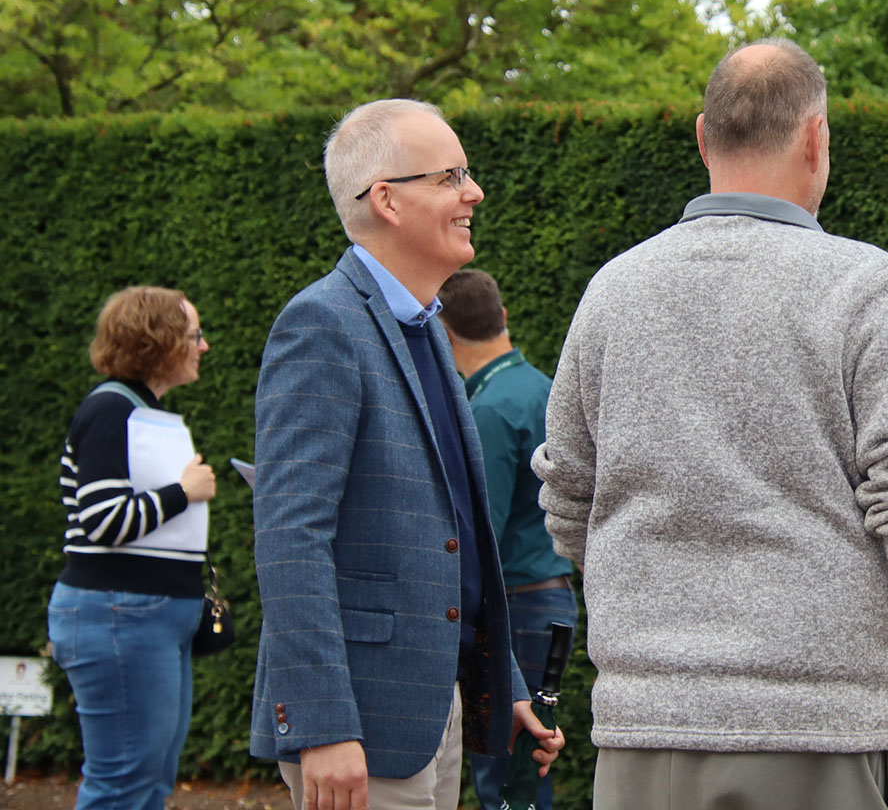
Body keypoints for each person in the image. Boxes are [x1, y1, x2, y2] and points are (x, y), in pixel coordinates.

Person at [532, 38, 888, 810]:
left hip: (643, 728)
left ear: (702, 138)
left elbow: (568, 495)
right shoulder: (865, 284)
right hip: (819, 730)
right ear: (816, 138)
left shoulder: (614, 289)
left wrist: (658, 604)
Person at [249, 99, 563, 810]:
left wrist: (500, 686)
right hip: (360, 727)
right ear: (386, 199)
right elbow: (291, 538)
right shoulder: (322, 324)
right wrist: (323, 725)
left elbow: (454, 545)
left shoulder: (421, 328)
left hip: (432, 712)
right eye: (451, 176)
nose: (473, 192)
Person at [47, 285, 217, 810]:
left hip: (143, 618)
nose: (203, 346)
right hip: (122, 617)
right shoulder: (110, 412)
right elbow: (101, 521)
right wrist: (182, 492)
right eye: (193, 335)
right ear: (157, 342)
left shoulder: (138, 412)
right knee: (123, 783)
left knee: (148, 781)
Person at [437, 268, 578, 810]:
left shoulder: (488, 409)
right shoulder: (544, 387)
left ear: (444, 333)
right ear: (504, 318)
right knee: (527, 767)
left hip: (514, 603)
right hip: (549, 595)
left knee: (505, 777)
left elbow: (478, 537)